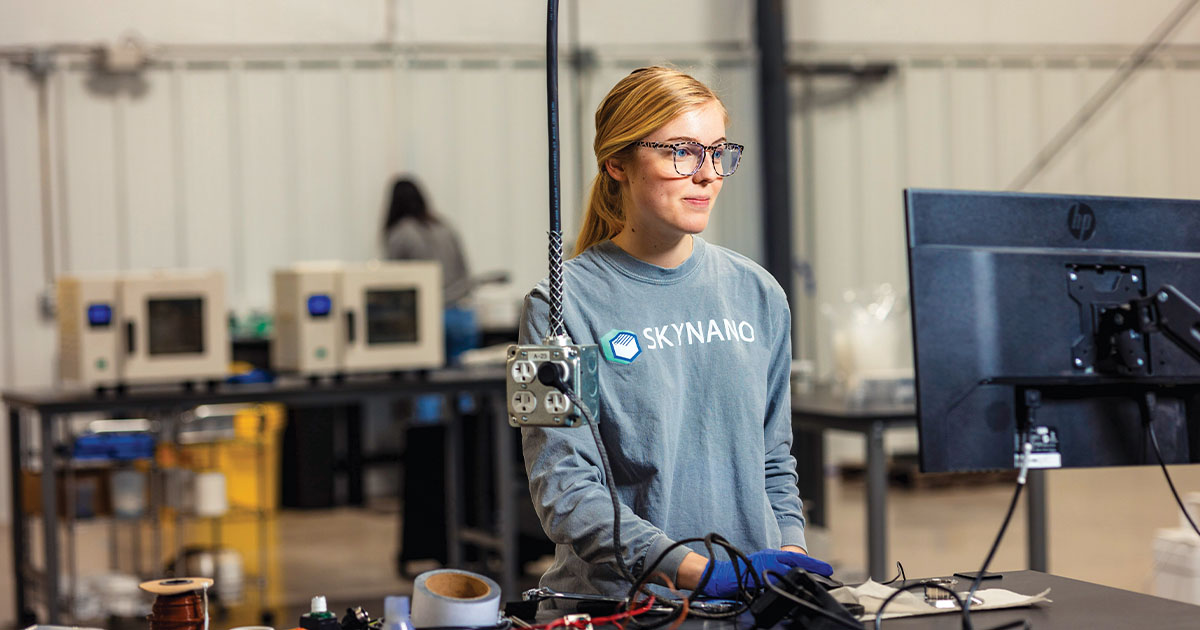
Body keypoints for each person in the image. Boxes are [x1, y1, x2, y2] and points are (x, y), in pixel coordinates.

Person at [519, 66, 832, 603]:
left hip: (744, 599)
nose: (707, 174)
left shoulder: (758, 293)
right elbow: (564, 488)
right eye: (681, 152)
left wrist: (790, 556)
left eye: (718, 152)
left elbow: (774, 458)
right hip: (624, 605)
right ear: (616, 162)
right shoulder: (556, 306)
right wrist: (695, 572)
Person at [383, 177, 471, 306]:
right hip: (459, 309)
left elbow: (392, 278)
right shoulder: (444, 227)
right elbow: (464, 269)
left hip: (425, 311)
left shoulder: (400, 233)